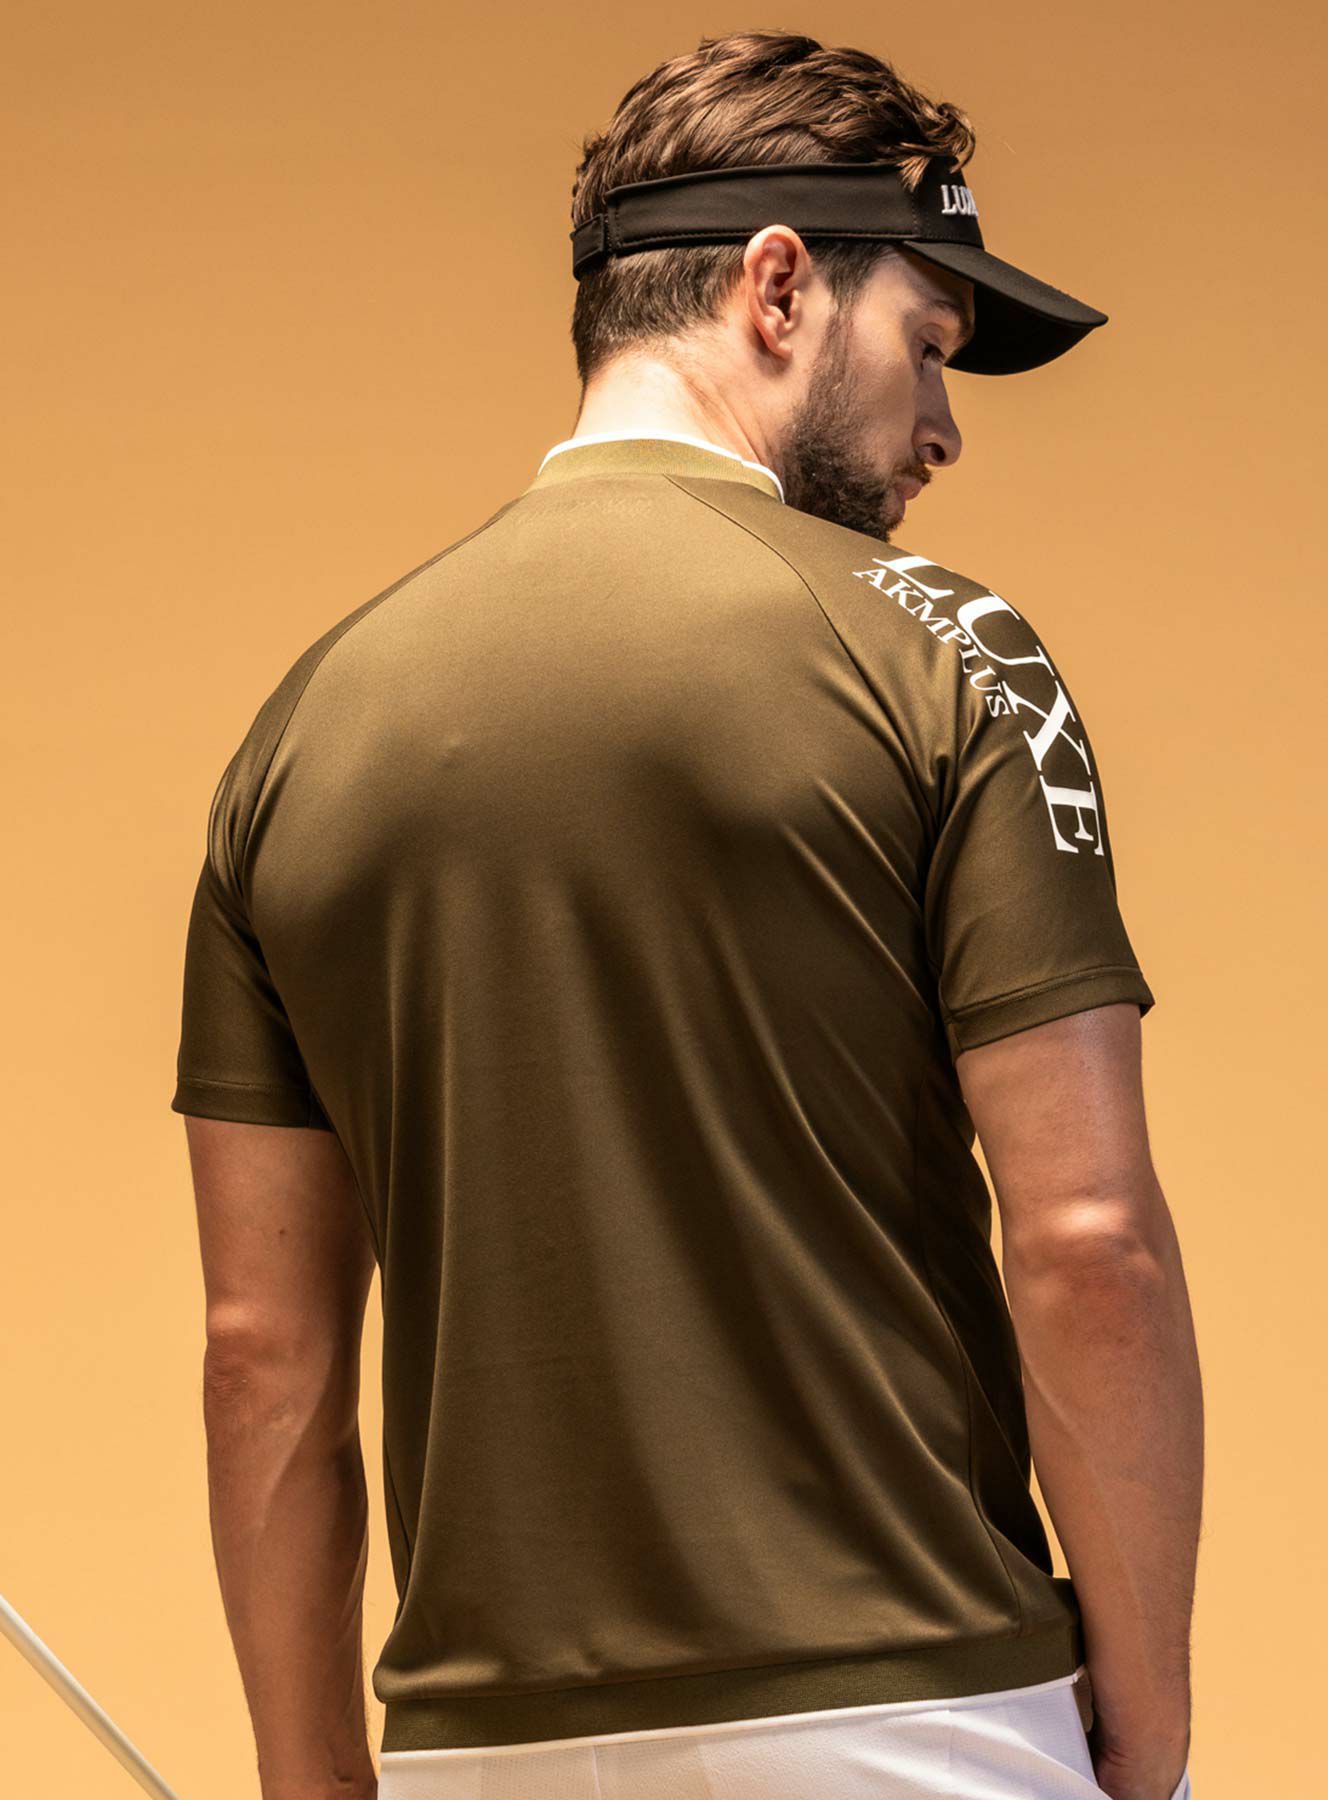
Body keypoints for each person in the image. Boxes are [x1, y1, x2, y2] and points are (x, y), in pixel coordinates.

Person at [171, 29, 1202, 1800]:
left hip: (480, 1748)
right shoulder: (948, 652)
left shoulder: (301, 730)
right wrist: (1151, 1714)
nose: (945, 426)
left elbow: (263, 1358)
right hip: (912, 1713)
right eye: (928, 345)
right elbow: (1088, 1243)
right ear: (779, 288)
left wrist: (312, 1781)